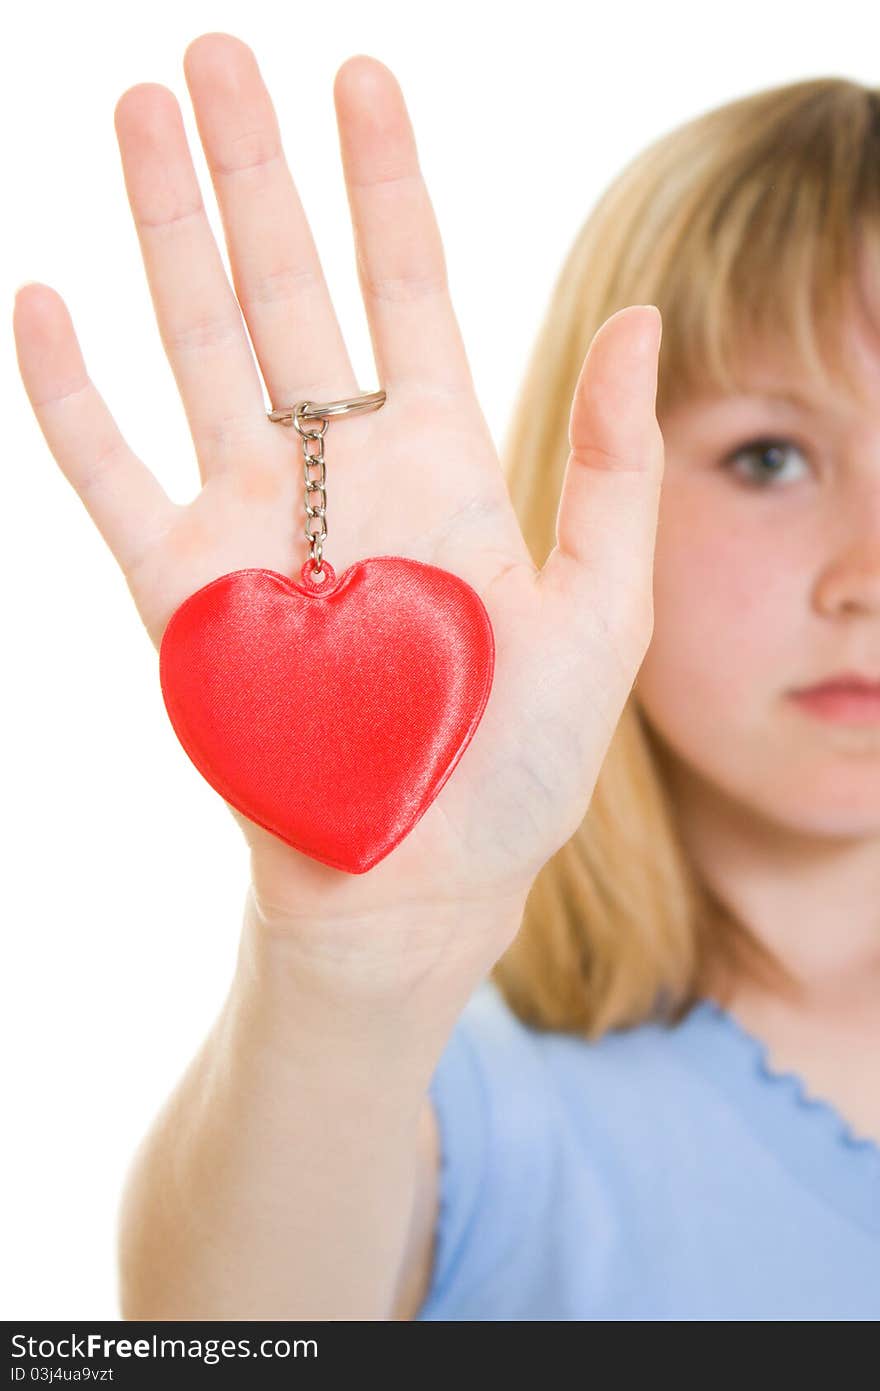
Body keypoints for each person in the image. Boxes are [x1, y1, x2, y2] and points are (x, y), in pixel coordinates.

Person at [12, 31, 879, 1321]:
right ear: (595, 480)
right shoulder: (465, 1108)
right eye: (769, 457)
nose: (864, 570)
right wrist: (347, 986)